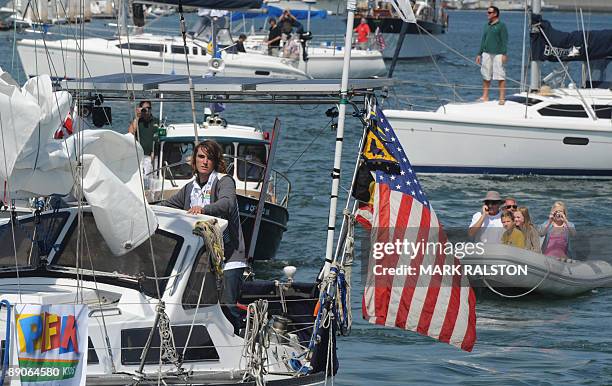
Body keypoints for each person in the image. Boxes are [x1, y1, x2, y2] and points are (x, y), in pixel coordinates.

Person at [162, 140, 246, 334]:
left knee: (227, 306)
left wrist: (204, 210)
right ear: (194, 160)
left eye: (210, 158)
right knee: (199, 305)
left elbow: (228, 203)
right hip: (202, 258)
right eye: (201, 157)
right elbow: (167, 205)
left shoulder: (224, 181)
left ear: (215, 161)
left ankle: (237, 340)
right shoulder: (190, 188)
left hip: (229, 257)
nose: (205, 161)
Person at [475, 6, 508, 105]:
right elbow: (483, 40)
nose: (487, 14)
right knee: (486, 75)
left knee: (500, 75)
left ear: (495, 14)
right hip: (486, 53)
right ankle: (485, 96)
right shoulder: (486, 25)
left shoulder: (502, 26)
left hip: (498, 54)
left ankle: (501, 98)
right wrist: (479, 54)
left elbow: (504, 41)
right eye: (487, 12)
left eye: (489, 12)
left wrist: (504, 54)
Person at [128, 100, 160, 178]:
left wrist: (154, 151)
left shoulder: (156, 121)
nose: (146, 110)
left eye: (148, 108)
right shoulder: (138, 121)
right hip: (142, 156)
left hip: (154, 155)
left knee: (154, 177)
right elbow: (130, 133)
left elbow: (160, 136)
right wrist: (137, 116)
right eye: (144, 108)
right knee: (144, 177)